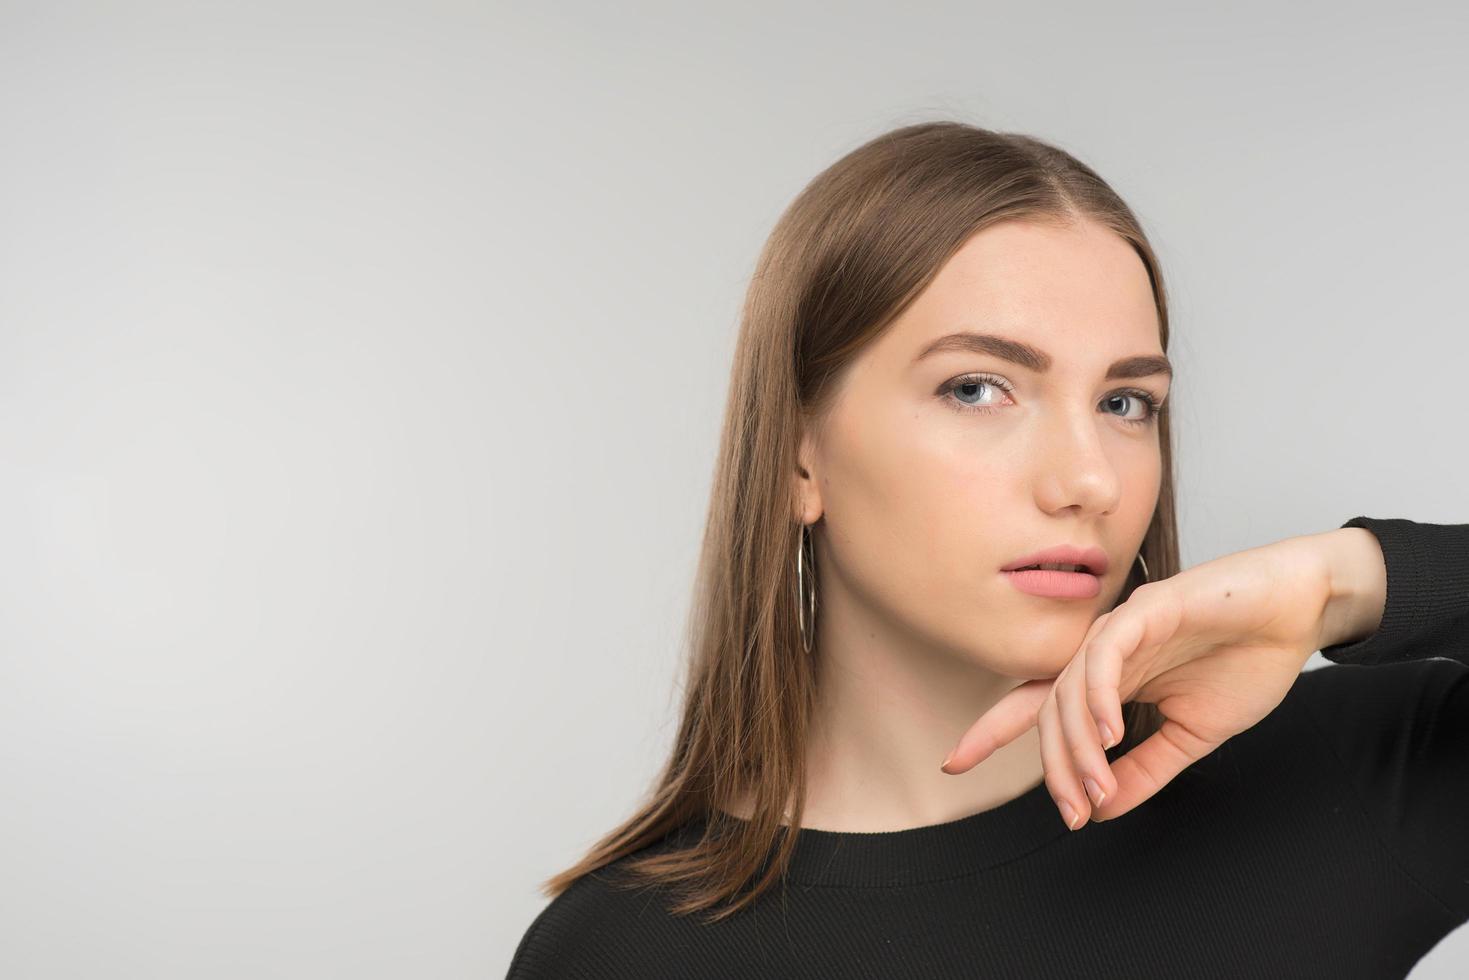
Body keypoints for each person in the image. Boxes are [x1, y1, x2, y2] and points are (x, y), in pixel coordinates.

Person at [506, 121, 1469, 977]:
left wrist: (1344, 583)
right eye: (977, 389)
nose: (1087, 479)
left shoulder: (1341, 780)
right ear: (800, 451)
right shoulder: (622, 953)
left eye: (1124, 402)